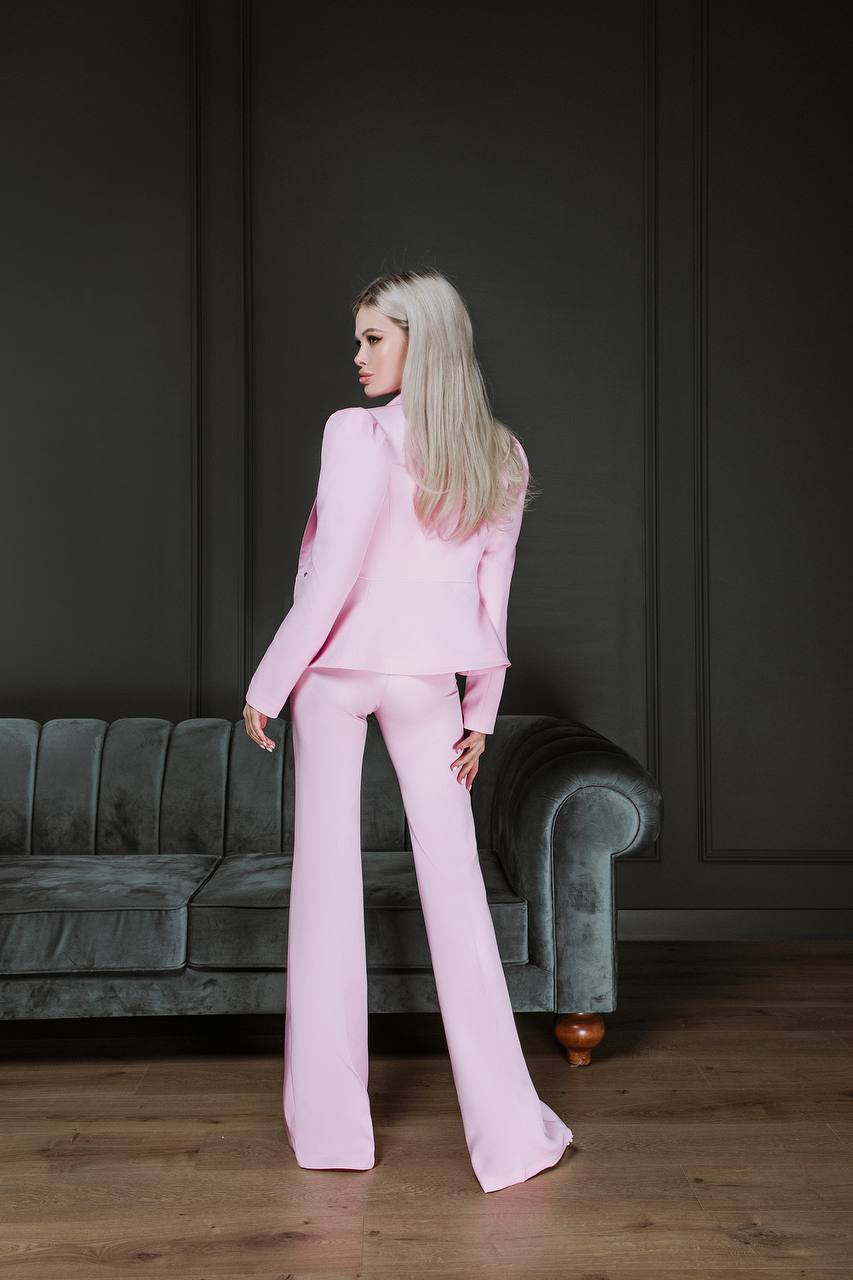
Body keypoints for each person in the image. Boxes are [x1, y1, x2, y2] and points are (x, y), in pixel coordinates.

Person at [242, 267, 574, 1193]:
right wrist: (480, 715)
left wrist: (268, 681)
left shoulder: (353, 434)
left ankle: (333, 1135)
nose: (355, 358)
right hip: (428, 683)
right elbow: (489, 600)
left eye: (372, 340)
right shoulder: (499, 455)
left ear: (419, 343)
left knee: (326, 888)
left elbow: (336, 567)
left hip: (331, 677)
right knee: (458, 897)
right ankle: (510, 1138)